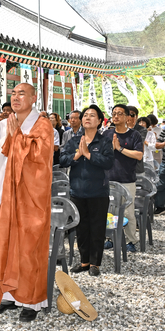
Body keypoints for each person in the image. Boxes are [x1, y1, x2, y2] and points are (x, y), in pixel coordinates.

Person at [0, 83, 53, 322]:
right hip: (7, 193)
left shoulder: (43, 124)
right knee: (6, 243)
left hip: (31, 196)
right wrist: (10, 139)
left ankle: (31, 301)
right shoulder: (4, 123)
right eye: (13, 93)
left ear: (33, 98)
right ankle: (9, 296)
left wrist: (17, 138)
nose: (16, 97)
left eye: (22, 93)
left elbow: (40, 156)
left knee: (28, 248)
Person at [59, 105, 114, 277]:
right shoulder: (75, 140)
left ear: (99, 121)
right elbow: (62, 159)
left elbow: (108, 162)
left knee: (97, 229)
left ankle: (95, 263)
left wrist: (89, 155)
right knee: (81, 228)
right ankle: (84, 261)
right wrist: (77, 155)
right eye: (85, 115)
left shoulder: (104, 141)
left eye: (92, 115)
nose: (87, 118)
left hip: (98, 192)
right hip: (77, 192)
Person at [103, 104, 143, 253]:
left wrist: (120, 149)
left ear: (127, 117)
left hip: (127, 179)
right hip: (108, 179)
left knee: (127, 211)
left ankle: (130, 240)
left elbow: (139, 155)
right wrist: (110, 150)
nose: (116, 116)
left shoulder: (134, 135)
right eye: (114, 113)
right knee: (109, 210)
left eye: (120, 113)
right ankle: (110, 239)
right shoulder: (107, 134)